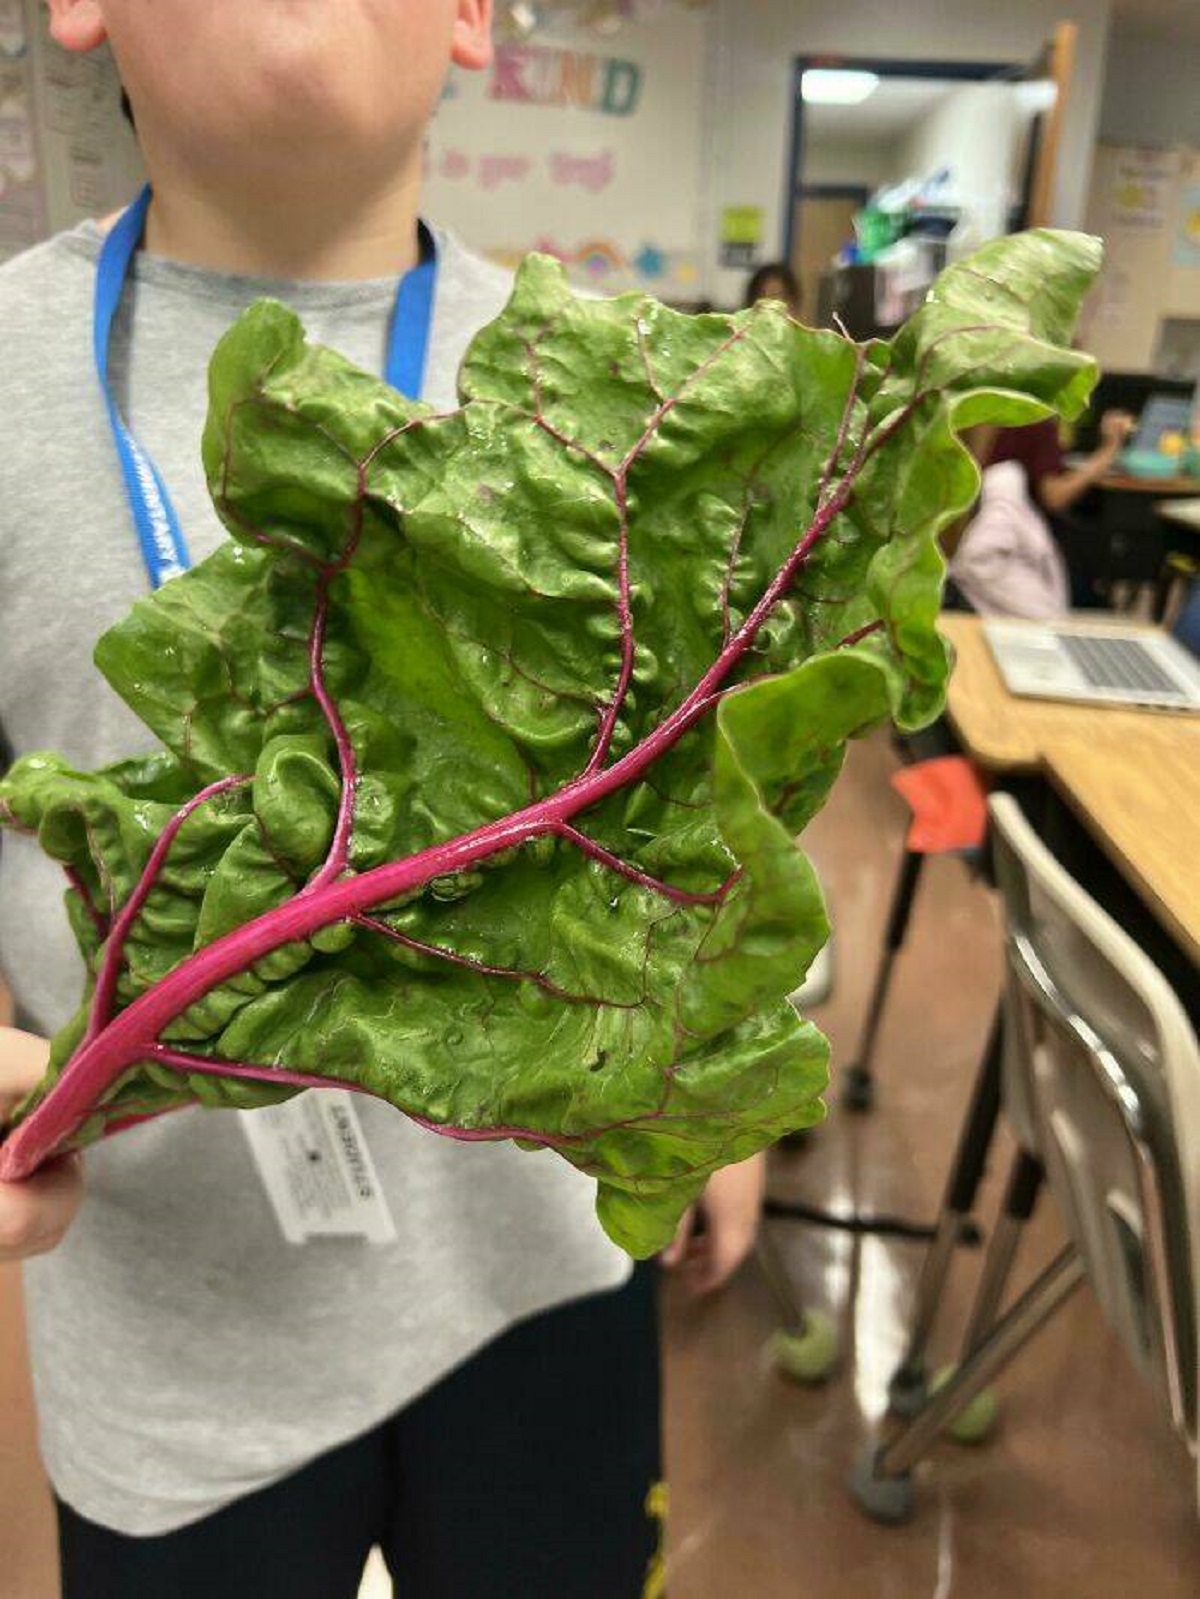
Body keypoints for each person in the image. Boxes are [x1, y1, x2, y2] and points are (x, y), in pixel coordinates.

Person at [0, 4, 766, 1595]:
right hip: (174, 1336)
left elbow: (716, 797)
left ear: (476, 18)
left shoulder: (631, 397)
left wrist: (724, 1088)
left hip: (546, 1267)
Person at [948, 410, 1136, 618]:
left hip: (985, 556)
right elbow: (1055, 497)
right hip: (1023, 558)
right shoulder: (1037, 424)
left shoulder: (1001, 415)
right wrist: (1109, 450)